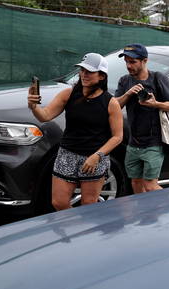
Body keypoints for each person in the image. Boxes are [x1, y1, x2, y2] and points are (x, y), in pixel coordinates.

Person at [27, 53, 123, 211]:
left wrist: (97, 156)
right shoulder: (68, 94)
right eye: (82, 70)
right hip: (67, 154)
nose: (84, 74)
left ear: (101, 76)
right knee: (59, 202)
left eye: (89, 71)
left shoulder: (110, 102)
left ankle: (83, 232)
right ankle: (74, 228)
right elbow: (45, 116)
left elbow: (118, 137)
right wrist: (33, 106)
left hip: (94, 158)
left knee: (89, 205)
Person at [114, 43, 169, 193]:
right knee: (136, 182)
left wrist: (155, 104)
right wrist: (128, 94)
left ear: (144, 61)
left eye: (133, 62)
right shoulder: (125, 80)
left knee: (150, 185)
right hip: (133, 143)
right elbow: (115, 105)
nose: (129, 66)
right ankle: (143, 214)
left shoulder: (158, 78)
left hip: (153, 143)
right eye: (126, 62)